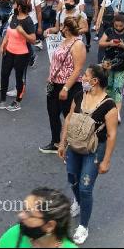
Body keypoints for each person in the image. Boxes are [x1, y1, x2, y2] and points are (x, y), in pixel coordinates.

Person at [58, 65, 118, 245]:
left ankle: (83, 226)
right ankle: (76, 201)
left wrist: (106, 160)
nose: (82, 78)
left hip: (94, 150)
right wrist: (62, 142)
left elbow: (111, 134)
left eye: (85, 76)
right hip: (74, 147)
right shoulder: (78, 96)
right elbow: (69, 117)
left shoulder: (109, 105)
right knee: (72, 178)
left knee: (85, 188)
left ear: (95, 81)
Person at [41, 17, 86, 154]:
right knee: (53, 114)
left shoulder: (78, 44)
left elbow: (78, 69)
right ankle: (55, 142)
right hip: (54, 84)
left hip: (70, 86)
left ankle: (71, 146)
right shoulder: (63, 41)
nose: (60, 27)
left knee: (70, 117)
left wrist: (66, 87)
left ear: (66, 28)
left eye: (62, 25)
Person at [0, 0, 36, 112]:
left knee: (19, 78)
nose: (13, 5)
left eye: (15, 3)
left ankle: (17, 101)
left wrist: (23, 32)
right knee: (4, 74)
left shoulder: (28, 21)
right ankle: (2, 100)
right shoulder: (14, 17)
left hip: (22, 54)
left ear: (19, 7)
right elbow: (8, 33)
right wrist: (3, 45)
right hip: (9, 51)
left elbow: (33, 40)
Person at [0, 188, 76, 248]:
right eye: (24, 209)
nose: (20, 215)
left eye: (28, 213)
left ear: (50, 226)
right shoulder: (14, 234)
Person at [98, 13, 124, 121]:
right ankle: (107, 109)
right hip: (108, 64)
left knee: (117, 88)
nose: (118, 28)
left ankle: (117, 113)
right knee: (108, 87)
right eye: (116, 26)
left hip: (122, 65)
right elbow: (101, 43)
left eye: (121, 26)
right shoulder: (109, 31)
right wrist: (110, 43)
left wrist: (123, 45)